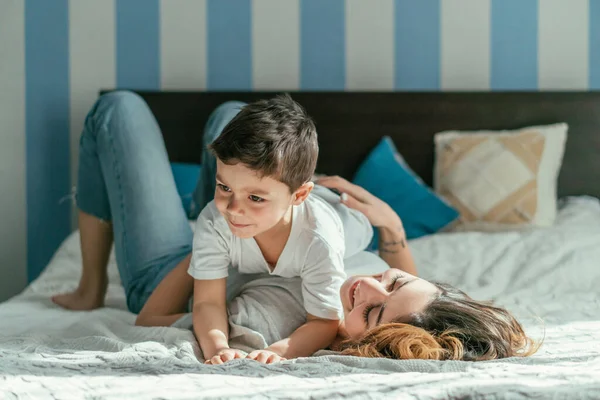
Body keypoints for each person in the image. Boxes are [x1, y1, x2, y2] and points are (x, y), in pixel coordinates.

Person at [52, 91, 538, 364]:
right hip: (235, 225)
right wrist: (391, 228)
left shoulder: (299, 315)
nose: (367, 283)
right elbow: (401, 290)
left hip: (175, 274)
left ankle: (91, 284)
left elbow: (178, 313)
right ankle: (238, 191)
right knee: (231, 115)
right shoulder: (379, 285)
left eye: (371, 312)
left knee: (117, 110)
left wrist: (212, 241)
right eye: (394, 279)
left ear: (361, 342)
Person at [186, 94, 372, 364]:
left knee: (361, 225)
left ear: (298, 195)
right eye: (224, 187)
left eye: (255, 197)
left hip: (346, 217)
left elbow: (324, 321)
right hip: (288, 205)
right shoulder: (216, 219)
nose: (233, 208)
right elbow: (207, 303)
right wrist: (218, 348)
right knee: (228, 115)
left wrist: (277, 352)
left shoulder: (321, 239)